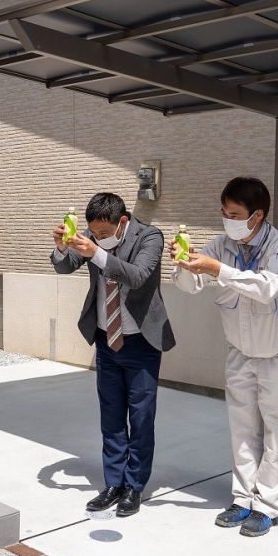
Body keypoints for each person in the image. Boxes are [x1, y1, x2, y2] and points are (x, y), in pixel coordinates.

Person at [171, 177, 278, 538]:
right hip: (240, 350)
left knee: (277, 429)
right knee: (242, 427)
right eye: (224, 213)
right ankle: (243, 497)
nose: (227, 221)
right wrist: (184, 265)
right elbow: (190, 287)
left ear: (256, 216)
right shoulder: (220, 244)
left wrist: (217, 270)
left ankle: (268, 505)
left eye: (234, 214)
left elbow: (267, 287)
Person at [51, 192, 174, 517]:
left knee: (142, 416)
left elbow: (139, 276)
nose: (98, 239)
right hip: (107, 339)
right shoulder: (94, 237)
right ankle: (113, 483)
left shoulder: (150, 236)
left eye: (104, 234)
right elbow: (65, 267)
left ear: (122, 222)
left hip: (142, 342)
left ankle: (134, 486)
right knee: (111, 416)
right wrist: (63, 247)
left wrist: (98, 254)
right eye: (94, 234)